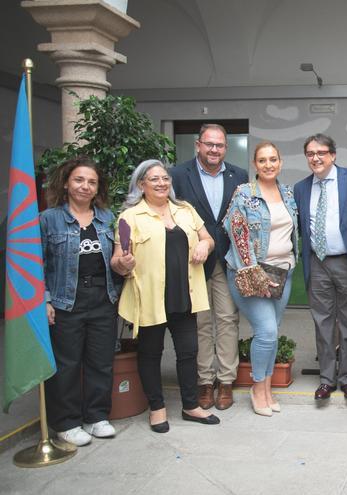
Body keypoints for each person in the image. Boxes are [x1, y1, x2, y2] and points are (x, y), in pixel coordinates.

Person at [112, 160, 219, 433]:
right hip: (149, 298)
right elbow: (117, 260)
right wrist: (123, 263)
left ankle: (190, 405)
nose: (161, 183)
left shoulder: (185, 210)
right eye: (154, 179)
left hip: (185, 295)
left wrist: (204, 247)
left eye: (165, 178)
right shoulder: (130, 217)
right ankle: (157, 409)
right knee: (150, 354)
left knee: (188, 352)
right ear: (141, 185)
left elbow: (208, 238)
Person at [41, 158, 120, 446]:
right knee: (67, 363)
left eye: (91, 182)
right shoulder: (49, 219)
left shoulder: (107, 218)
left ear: (97, 188)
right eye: (79, 180)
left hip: (102, 298)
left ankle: (96, 416)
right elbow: (36, 264)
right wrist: (45, 300)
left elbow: (116, 262)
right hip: (65, 301)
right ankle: (67, 422)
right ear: (65, 182)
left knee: (101, 361)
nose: (85, 186)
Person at [170, 123, 248, 411]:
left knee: (228, 320)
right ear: (198, 145)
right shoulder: (178, 175)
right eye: (209, 144)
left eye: (219, 145)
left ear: (225, 148)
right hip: (194, 260)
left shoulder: (238, 175)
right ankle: (204, 382)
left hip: (227, 259)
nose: (214, 150)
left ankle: (226, 381)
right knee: (201, 323)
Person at [293, 134, 347, 400]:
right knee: (322, 321)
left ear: (333, 155)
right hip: (317, 261)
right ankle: (326, 379)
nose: (316, 158)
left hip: (346, 262)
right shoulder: (301, 188)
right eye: (310, 154)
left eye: (321, 152)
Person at [223, 142, 298, 417]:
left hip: (283, 272)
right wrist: (255, 274)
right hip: (250, 273)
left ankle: (266, 388)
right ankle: (257, 388)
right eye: (263, 160)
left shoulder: (287, 194)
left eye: (273, 159)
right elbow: (237, 234)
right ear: (255, 165)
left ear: (280, 162)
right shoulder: (244, 194)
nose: (268, 164)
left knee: (271, 331)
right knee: (266, 331)